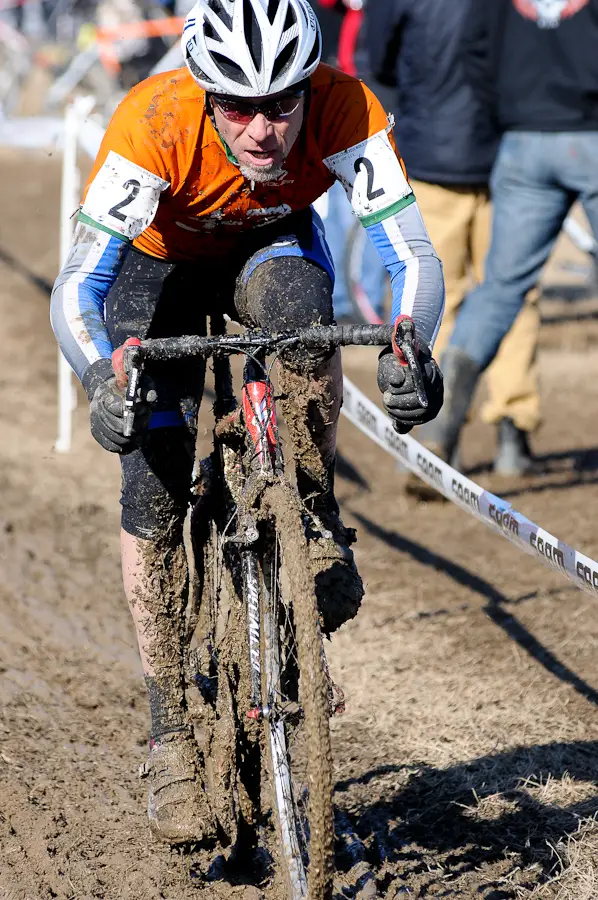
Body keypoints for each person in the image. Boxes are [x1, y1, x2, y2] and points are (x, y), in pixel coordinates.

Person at [51, 0, 444, 844]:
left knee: (306, 319)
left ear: (310, 87)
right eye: (237, 106)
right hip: (159, 271)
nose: (263, 130)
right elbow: (77, 285)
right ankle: (169, 733)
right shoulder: (151, 120)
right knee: (151, 482)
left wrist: (413, 348)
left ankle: (312, 513)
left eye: (281, 104)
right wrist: (98, 376)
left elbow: (409, 251)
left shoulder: (345, 106)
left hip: (272, 250)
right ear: (202, 92)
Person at [366, 0, 541, 478]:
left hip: (429, 153)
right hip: (506, 155)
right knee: (511, 295)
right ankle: (513, 426)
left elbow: (376, 57)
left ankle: (435, 432)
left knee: (433, 292)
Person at [422, 0, 598, 466]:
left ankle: (443, 427)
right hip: (591, 133)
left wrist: (509, 109)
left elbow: (476, 53)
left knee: (499, 290)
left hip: (523, 142)